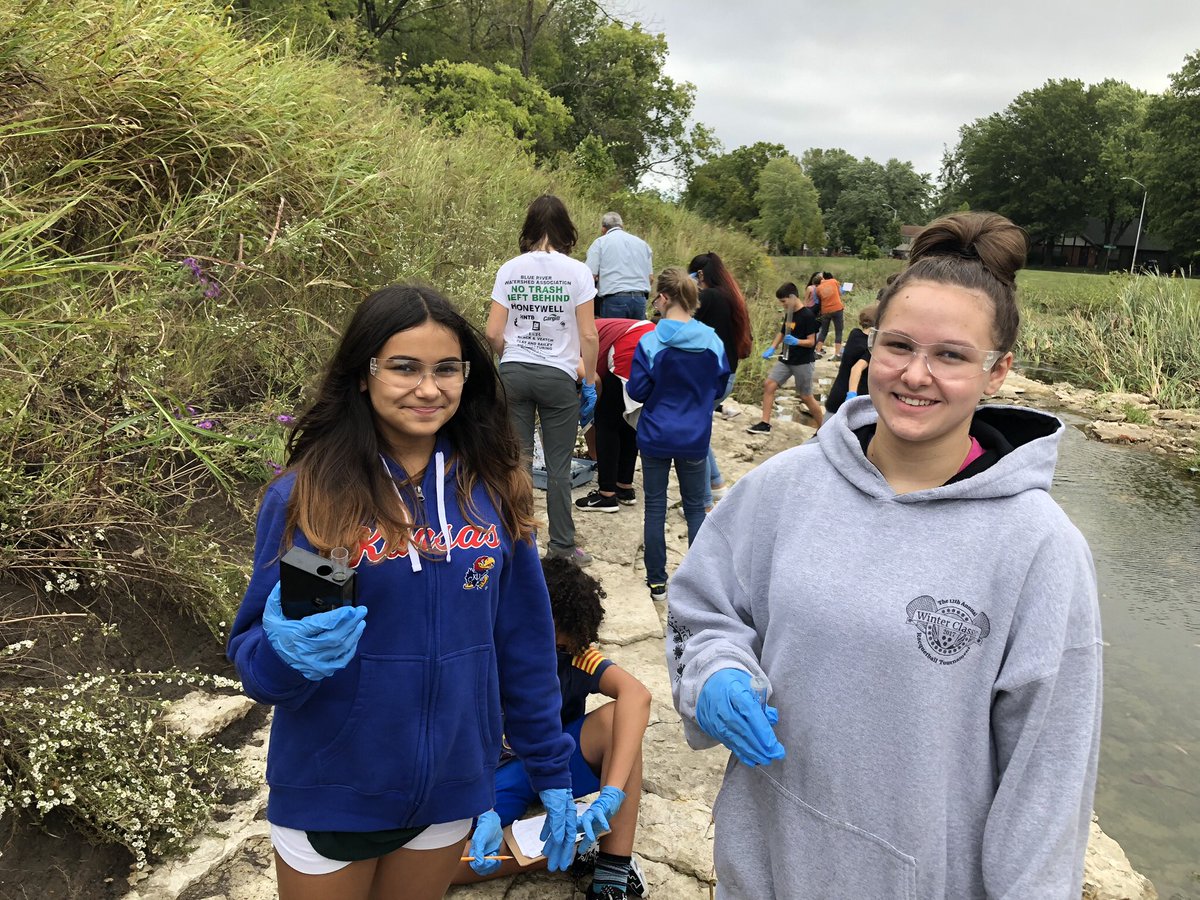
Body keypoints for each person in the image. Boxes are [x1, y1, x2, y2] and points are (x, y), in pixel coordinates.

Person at [666, 212, 1102, 898]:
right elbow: (702, 609)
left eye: (952, 355)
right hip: (764, 866)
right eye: (898, 346)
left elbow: (1047, 777)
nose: (915, 375)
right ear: (870, 345)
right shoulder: (783, 489)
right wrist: (715, 670)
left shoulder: (1040, 548)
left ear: (998, 372)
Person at [227, 285, 580, 900]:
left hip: (451, 783)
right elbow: (261, 668)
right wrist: (287, 654)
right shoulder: (315, 498)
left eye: (447, 369)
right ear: (362, 375)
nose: (428, 388)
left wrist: (549, 765)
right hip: (334, 785)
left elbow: (521, 640)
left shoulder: (493, 491)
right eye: (404, 367)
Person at [451, 557, 652, 899]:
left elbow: (637, 695)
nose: (550, 655)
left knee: (621, 724)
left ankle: (613, 870)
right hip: (492, 780)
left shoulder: (575, 655)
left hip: (552, 767)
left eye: (560, 647)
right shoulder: (486, 647)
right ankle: (568, 850)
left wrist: (611, 795)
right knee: (444, 863)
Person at [487, 194, 599, 566]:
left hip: (514, 373)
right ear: (565, 229)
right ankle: (563, 548)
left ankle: (521, 543)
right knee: (559, 468)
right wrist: (590, 380)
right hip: (558, 377)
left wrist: (512, 358)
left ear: (530, 227)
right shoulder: (578, 272)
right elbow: (588, 336)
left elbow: (492, 332)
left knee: (516, 464)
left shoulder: (510, 269)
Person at [628, 267, 729, 601]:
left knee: (655, 506)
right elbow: (720, 386)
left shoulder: (651, 341)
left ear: (664, 297)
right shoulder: (712, 340)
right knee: (696, 508)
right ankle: (698, 581)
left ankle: (657, 581)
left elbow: (638, 391)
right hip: (695, 437)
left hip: (656, 434)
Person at [686, 252, 752, 504]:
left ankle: (703, 503)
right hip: (725, 375)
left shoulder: (709, 297)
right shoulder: (730, 296)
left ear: (700, 274)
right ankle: (717, 485)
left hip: (708, 379)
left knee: (695, 436)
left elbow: (682, 322)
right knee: (700, 431)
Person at [575, 317, 656, 513]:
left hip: (627, 351)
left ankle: (606, 495)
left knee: (607, 423)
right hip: (652, 345)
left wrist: (593, 445)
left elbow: (592, 382)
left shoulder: (569, 340)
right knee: (628, 418)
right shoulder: (596, 326)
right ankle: (624, 487)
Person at [746, 282, 822, 435]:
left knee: (806, 396)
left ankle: (824, 428)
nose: (782, 304)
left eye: (783, 301)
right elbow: (782, 333)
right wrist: (772, 348)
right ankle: (765, 424)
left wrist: (797, 341)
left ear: (793, 297)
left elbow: (811, 342)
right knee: (769, 385)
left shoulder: (807, 316)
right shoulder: (789, 314)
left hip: (802, 362)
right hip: (786, 359)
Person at [585, 212, 654, 319]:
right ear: (622, 226)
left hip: (614, 300)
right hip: (639, 300)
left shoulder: (600, 243)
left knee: (614, 335)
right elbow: (650, 278)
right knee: (636, 335)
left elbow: (589, 276)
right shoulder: (642, 244)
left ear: (603, 229)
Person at [824, 302, 877, 414]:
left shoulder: (854, 334)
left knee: (825, 430)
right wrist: (852, 394)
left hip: (836, 395)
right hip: (854, 400)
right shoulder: (872, 347)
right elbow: (856, 369)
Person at [814, 270, 845, 359]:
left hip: (825, 311)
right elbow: (839, 293)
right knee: (838, 331)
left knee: (824, 331)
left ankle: (818, 351)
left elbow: (820, 298)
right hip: (837, 308)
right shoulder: (833, 281)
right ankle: (837, 354)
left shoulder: (818, 288)